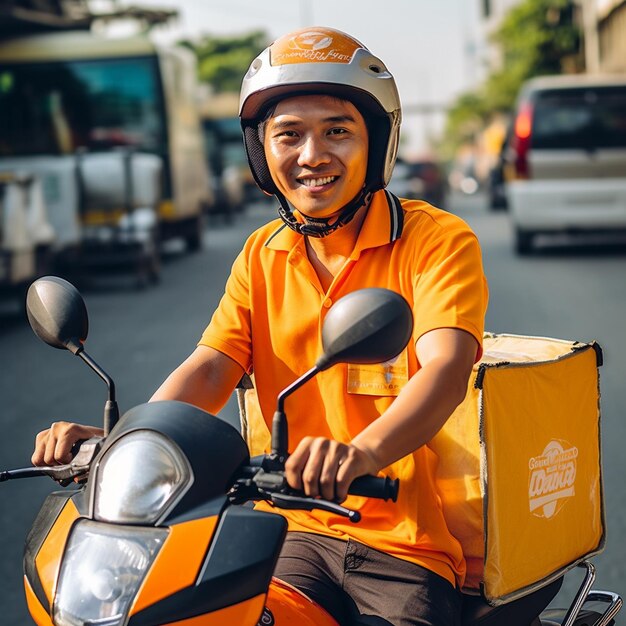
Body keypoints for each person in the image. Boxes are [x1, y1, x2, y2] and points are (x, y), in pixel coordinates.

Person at [32, 27, 488, 626]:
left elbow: (447, 371)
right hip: (287, 528)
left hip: (404, 542)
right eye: (289, 135)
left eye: (337, 131)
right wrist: (131, 443)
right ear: (261, 151)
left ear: (376, 141)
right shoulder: (261, 252)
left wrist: (358, 455)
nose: (312, 155)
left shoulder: (434, 241)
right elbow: (212, 366)